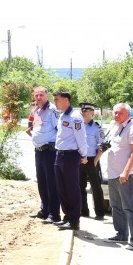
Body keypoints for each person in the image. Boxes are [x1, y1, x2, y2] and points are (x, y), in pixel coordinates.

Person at [101, 103, 133, 248]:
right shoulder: (114, 126)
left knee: (129, 207)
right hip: (113, 173)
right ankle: (121, 234)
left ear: (128, 114)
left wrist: (125, 171)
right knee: (115, 206)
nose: (116, 115)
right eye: (114, 113)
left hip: (125, 174)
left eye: (120, 113)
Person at [52, 90, 88, 231]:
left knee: (72, 189)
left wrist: (83, 155)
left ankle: (74, 220)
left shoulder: (75, 117)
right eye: (54, 100)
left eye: (57, 99)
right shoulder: (62, 116)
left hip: (71, 156)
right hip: (59, 155)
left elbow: (81, 138)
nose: (55, 102)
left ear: (66, 100)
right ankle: (67, 217)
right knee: (62, 188)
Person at [26, 86, 61, 223]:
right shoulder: (37, 111)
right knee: (41, 182)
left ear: (47, 96)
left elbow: (60, 130)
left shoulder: (53, 111)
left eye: (41, 95)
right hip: (39, 151)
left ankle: (54, 214)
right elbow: (37, 129)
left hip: (49, 151)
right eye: (36, 95)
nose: (38, 98)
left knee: (51, 183)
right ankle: (44, 209)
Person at [78, 104, 106, 220]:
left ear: (92, 112)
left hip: (92, 160)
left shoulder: (96, 128)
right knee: (80, 186)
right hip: (79, 159)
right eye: (82, 110)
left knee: (96, 187)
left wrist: (95, 160)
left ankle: (100, 213)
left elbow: (103, 146)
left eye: (86, 110)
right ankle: (83, 211)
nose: (83, 112)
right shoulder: (78, 126)